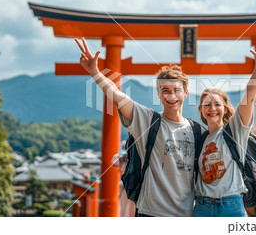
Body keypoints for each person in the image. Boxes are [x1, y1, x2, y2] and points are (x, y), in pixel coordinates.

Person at [75, 38, 203, 217]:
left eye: (176, 90)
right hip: (151, 213)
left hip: (187, 214)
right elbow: (117, 95)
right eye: (165, 90)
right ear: (158, 94)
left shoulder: (198, 131)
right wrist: (94, 71)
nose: (171, 95)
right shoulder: (148, 120)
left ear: (186, 93)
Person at [193, 34, 256, 217]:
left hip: (231, 206)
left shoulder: (234, 131)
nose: (212, 109)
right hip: (202, 207)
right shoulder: (200, 139)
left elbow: (250, 95)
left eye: (217, 105)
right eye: (207, 105)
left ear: (225, 108)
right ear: (201, 109)